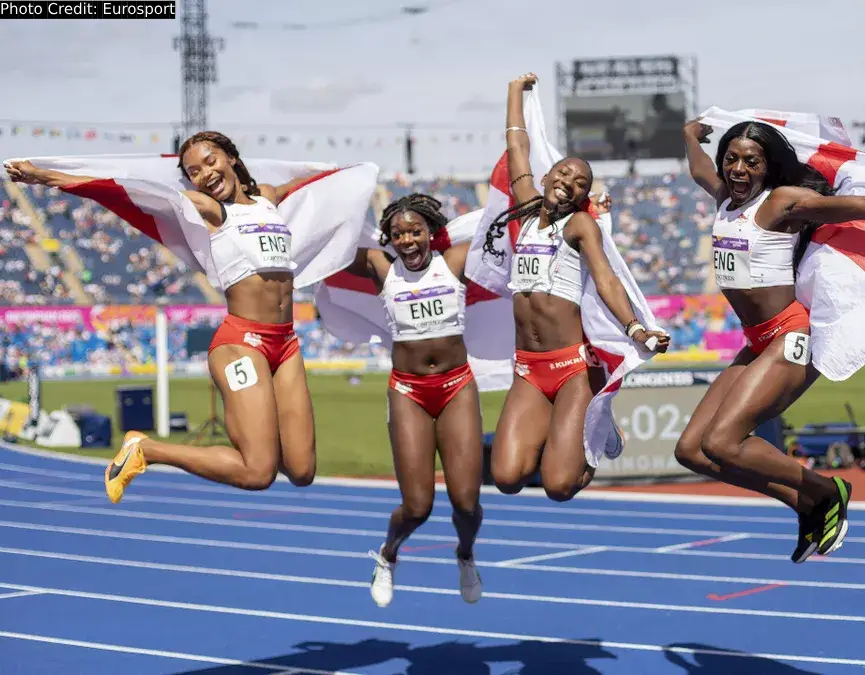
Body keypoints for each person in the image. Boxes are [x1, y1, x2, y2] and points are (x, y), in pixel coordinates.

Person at [676, 117, 865, 562]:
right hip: (757, 340)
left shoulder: (781, 203)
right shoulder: (727, 199)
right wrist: (689, 137)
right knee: (691, 451)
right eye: (731, 159)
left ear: (768, 167)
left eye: (751, 160)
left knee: (723, 443)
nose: (738, 169)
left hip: (789, 336)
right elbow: (699, 172)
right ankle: (805, 504)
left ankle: (827, 489)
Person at [6, 131, 329, 502]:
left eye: (211, 161)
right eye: (194, 171)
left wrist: (348, 174)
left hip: (285, 343)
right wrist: (45, 176)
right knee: (258, 472)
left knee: (302, 470)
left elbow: (304, 185)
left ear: (232, 159)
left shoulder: (268, 199)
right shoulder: (209, 210)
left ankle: (250, 445)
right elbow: (122, 189)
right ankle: (148, 450)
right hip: (242, 344)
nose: (205, 174)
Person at [483, 73, 670, 503]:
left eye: (581, 182)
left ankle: (595, 431)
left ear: (583, 195)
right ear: (547, 176)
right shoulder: (525, 213)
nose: (570, 180)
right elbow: (517, 148)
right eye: (564, 172)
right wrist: (514, 91)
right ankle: (575, 429)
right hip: (528, 368)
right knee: (507, 477)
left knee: (559, 486)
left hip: (571, 368)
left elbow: (606, 279)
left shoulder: (580, 225)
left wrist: (636, 329)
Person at [344, 193, 483, 608]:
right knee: (418, 506)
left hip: (457, 386)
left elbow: (505, 237)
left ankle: (465, 554)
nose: (407, 240)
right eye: (398, 234)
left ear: (431, 233)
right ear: (388, 238)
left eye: (415, 231)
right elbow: (327, 246)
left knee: (466, 502)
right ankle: (387, 555)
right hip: (408, 391)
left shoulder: (455, 261)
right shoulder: (379, 267)